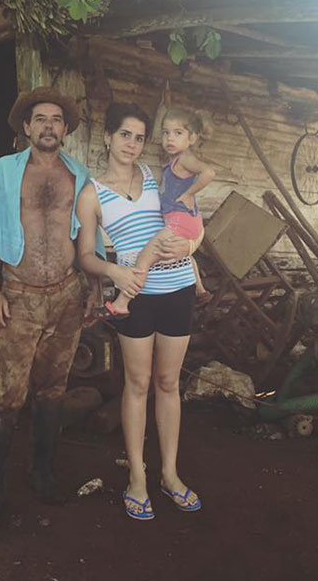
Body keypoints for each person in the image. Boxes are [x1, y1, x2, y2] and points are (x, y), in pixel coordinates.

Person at [0, 86, 102, 527]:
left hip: (66, 294)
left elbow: (89, 236)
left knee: (54, 389)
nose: (48, 126)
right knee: (8, 392)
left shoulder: (79, 175)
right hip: (18, 295)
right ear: (26, 128)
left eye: (56, 120)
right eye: (40, 118)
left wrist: (94, 289)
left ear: (65, 129)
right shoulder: (3, 174)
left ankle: (43, 474)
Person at [76, 101, 203, 521]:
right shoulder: (92, 193)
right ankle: (137, 477)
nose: (132, 143)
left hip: (179, 288)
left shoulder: (158, 175)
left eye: (139, 137)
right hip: (136, 295)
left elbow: (191, 219)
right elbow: (86, 257)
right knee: (137, 384)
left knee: (168, 383)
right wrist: (114, 269)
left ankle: (169, 473)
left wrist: (190, 247)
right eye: (124, 134)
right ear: (108, 137)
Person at [102, 107, 216, 317]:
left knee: (145, 257)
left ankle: (122, 302)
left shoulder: (185, 159)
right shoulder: (171, 163)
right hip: (184, 221)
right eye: (166, 133)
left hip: (180, 222)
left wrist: (190, 193)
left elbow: (209, 172)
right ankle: (200, 290)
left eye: (177, 133)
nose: (169, 138)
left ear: (191, 138)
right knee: (177, 255)